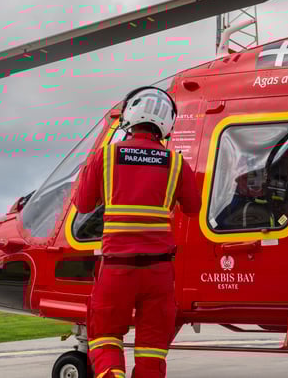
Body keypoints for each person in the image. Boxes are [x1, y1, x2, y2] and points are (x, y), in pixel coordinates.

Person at [74, 86, 201, 378]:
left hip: (116, 270)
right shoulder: (176, 163)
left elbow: (83, 204)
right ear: (167, 124)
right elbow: (194, 207)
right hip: (158, 272)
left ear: (128, 116)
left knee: (105, 337)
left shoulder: (106, 157)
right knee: (152, 350)